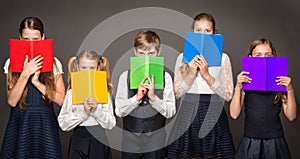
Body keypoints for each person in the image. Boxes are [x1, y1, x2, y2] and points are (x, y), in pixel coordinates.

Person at [167, 12, 235, 158]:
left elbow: (228, 95)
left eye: (207, 31)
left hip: (213, 112)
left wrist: (207, 75)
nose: (203, 35)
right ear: (193, 33)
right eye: (199, 31)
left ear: (214, 33)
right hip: (188, 111)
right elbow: (177, 93)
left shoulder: (223, 58)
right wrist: (191, 73)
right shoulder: (182, 57)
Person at [0, 17, 65, 158]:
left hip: (44, 122)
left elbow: (61, 100)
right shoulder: (10, 63)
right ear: (19, 38)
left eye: (35, 39)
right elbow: (11, 101)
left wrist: (36, 82)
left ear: (42, 37)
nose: (30, 44)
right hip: (21, 121)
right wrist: (25, 74)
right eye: (26, 39)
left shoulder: (54, 63)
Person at [230, 38, 297, 159]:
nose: (263, 59)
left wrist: (290, 89)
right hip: (250, 141)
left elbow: (291, 116)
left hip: (274, 142)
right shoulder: (246, 82)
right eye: (258, 55)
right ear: (250, 58)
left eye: (268, 55)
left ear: (274, 58)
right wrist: (238, 87)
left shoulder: (279, 82)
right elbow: (234, 114)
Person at [115, 30, 176, 159]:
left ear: (158, 53)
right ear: (135, 52)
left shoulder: (166, 77)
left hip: (156, 138)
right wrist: (136, 98)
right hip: (130, 138)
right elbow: (119, 111)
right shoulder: (125, 76)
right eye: (141, 53)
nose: (146, 58)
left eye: (151, 53)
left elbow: (171, 111)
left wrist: (154, 99)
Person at [58, 50, 116, 159]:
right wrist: (83, 113)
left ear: (98, 68)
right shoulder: (72, 92)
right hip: (78, 141)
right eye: (84, 68)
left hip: (99, 142)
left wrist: (96, 111)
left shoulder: (104, 91)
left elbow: (111, 124)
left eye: (92, 68)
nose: (87, 72)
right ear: (78, 68)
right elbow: (63, 124)